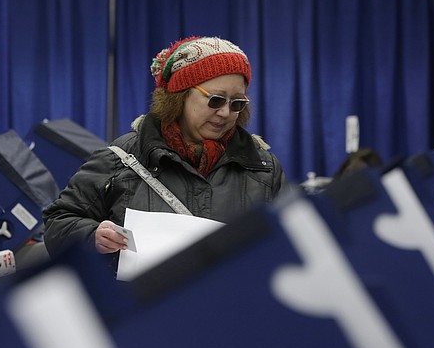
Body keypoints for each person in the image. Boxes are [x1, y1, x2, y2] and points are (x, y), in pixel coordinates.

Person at [43, 35, 288, 260]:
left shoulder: (263, 169)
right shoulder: (121, 159)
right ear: (178, 96)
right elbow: (57, 223)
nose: (225, 113)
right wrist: (92, 235)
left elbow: (292, 243)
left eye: (237, 103)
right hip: (143, 305)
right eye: (215, 100)